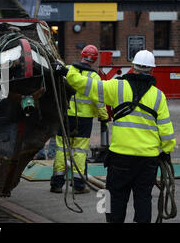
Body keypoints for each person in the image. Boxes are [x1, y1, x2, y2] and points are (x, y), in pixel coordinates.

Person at [53, 49, 176, 223]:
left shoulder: (117, 87)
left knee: (113, 198)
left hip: (120, 159)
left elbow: (87, 86)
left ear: (133, 67)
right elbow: (166, 131)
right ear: (152, 70)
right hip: (147, 160)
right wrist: (166, 151)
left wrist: (67, 72)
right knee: (143, 199)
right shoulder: (158, 97)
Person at [50, 45, 109, 194]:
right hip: (83, 121)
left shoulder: (68, 69)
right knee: (79, 151)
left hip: (65, 116)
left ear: (81, 55)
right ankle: (78, 186)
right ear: (94, 60)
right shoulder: (94, 77)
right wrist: (103, 117)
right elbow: (99, 100)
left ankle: (56, 184)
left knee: (61, 149)